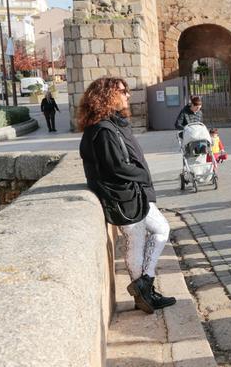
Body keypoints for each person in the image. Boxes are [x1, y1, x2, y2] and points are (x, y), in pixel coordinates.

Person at [78, 77, 176, 314]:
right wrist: (142, 175)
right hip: (123, 197)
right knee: (136, 242)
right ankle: (143, 293)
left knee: (161, 229)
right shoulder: (101, 130)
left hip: (132, 194)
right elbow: (116, 166)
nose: (128, 95)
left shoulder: (112, 124)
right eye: (123, 91)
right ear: (107, 96)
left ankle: (145, 284)